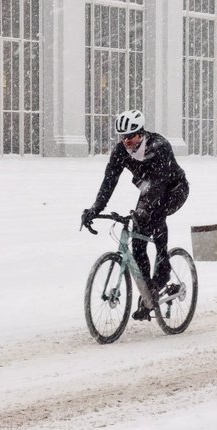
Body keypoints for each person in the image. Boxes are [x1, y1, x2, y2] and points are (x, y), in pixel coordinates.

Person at [81, 109, 189, 321]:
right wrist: (95, 208)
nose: (126, 141)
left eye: (131, 136)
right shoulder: (121, 151)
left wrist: (144, 211)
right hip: (149, 189)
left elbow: (159, 185)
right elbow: (109, 181)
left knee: (155, 217)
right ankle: (149, 291)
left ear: (141, 132)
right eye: (122, 137)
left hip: (174, 189)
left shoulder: (159, 147)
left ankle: (164, 269)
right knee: (138, 242)